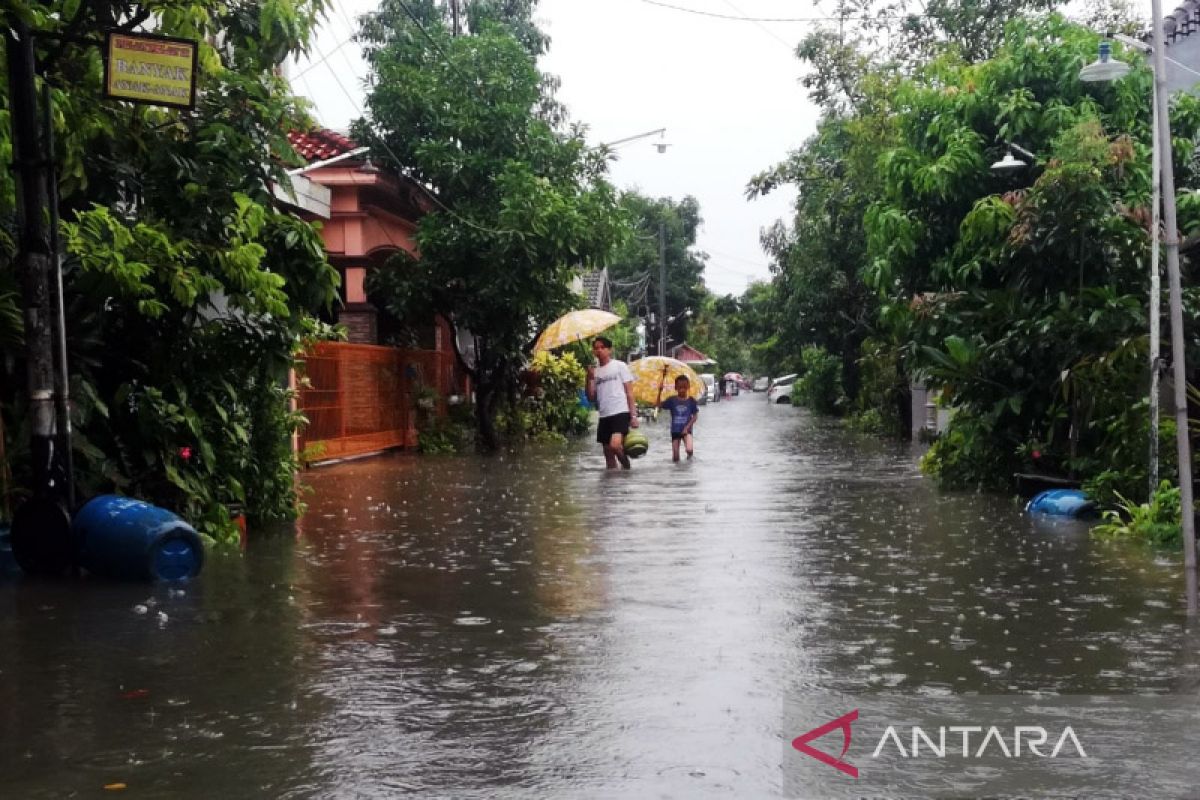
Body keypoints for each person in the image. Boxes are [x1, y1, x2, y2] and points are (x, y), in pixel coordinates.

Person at [586, 336, 638, 469]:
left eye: (602, 347)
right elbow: (591, 397)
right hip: (604, 415)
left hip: (620, 411)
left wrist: (633, 416)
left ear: (610, 350)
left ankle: (627, 468)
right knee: (608, 456)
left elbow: (630, 393)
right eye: (596, 348)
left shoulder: (620, 366)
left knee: (615, 446)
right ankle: (612, 487)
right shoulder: (594, 371)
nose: (599, 350)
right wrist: (589, 379)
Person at [656, 371, 699, 461]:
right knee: (675, 457)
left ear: (688, 387)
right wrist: (660, 392)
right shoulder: (672, 400)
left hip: (687, 430)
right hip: (675, 430)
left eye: (684, 387)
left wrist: (687, 428)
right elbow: (658, 405)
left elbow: (695, 416)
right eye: (679, 388)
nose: (682, 390)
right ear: (675, 388)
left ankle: (690, 460)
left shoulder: (691, 401)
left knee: (689, 449)